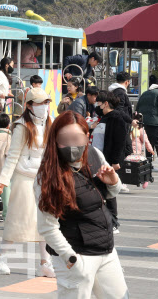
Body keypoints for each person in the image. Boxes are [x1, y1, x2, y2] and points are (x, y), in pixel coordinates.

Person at [35, 110, 127, 299]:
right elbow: (47, 227)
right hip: (76, 253)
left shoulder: (94, 154)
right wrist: (71, 259)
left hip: (105, 249)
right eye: (64, 139)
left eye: (76, 138)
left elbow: (109, 194)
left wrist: (113, 181)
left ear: (87, 137)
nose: (71, 145)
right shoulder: (47, 174)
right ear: (55, 140)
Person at [0, 88, 55, 277]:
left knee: (47, 221)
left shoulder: (50, 123)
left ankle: (45, 262)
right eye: (39, 103)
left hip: (44, 178)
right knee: (17, 220)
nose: (44, 107)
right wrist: (2, 181)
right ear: (29, 105)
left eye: (46, 102)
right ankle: (0, 256)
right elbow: (12, 156)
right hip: (24, 178)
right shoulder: (21, 126)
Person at [91, 90, 128, 229]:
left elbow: (119, 141)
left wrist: (115, 161)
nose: (97, 106)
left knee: (109, 191)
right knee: (103, 189)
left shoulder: (115, 118)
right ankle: (107, 220)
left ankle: (113, 221)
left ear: (105, 103)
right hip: (98, 159)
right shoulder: (105, 118)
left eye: (99, 103)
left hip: (108, 160)